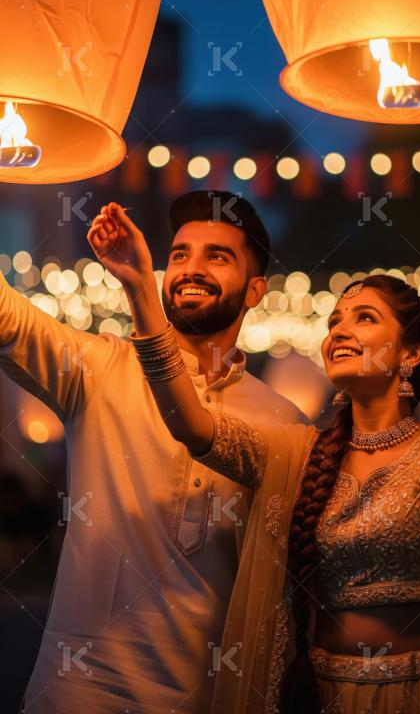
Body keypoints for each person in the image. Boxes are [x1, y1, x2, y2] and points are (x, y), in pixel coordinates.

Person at [91, 202, 420, 714]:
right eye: (335, 321)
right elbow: (189, 423)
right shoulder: (298, 452)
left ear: (411, 354)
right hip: (321, 694)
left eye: (364, 319)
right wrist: (141, 288)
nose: (339, 331)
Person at [2, 190, 307, 714]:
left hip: (205, 696)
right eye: (181, 254)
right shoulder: (99, 369)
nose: (192, 268)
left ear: (256, 290)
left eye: (218, 255)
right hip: (77, 692)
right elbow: (10, 321)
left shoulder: (283, 421)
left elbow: (296, 577)